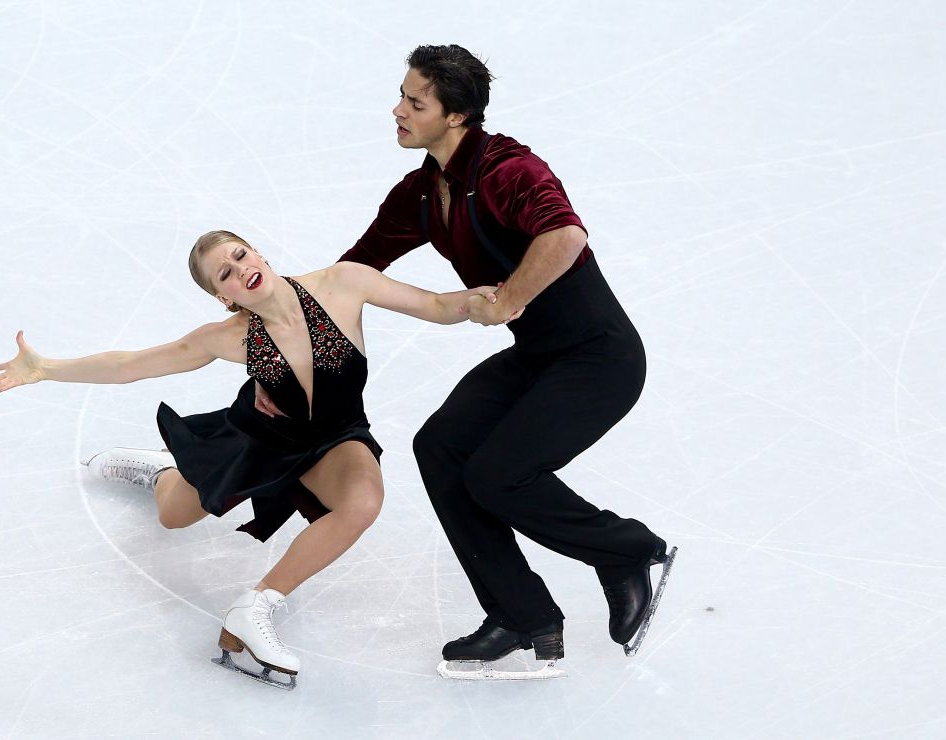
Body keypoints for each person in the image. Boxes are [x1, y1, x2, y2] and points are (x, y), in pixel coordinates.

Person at [258, 45, 676, 674]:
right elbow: (352, 271)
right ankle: (519, 613)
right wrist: (272, 323)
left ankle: (627, 550)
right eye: (402, 94)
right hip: (537, 355)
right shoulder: (425, 192)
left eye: (414, 101)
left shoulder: (510, 170)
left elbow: (564, 236)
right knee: (443, 447)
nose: (397, 109)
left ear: (456, 116)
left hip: (599, 360)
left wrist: (508, 298)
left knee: (499, 476)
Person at [0, 230, 499, 689]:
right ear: (222, 297)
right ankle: (164, 469)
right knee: (174, 516)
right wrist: (46, 368)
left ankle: (257, 607)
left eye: (239, 255)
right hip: (260, 440)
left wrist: (492, 301)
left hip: (336, 439)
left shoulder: (343, 284)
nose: (239, 270)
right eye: (224, 274)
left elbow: (435, 304)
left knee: (363, 499)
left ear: (259, 253)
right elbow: (128, 366)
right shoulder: (229, 338)